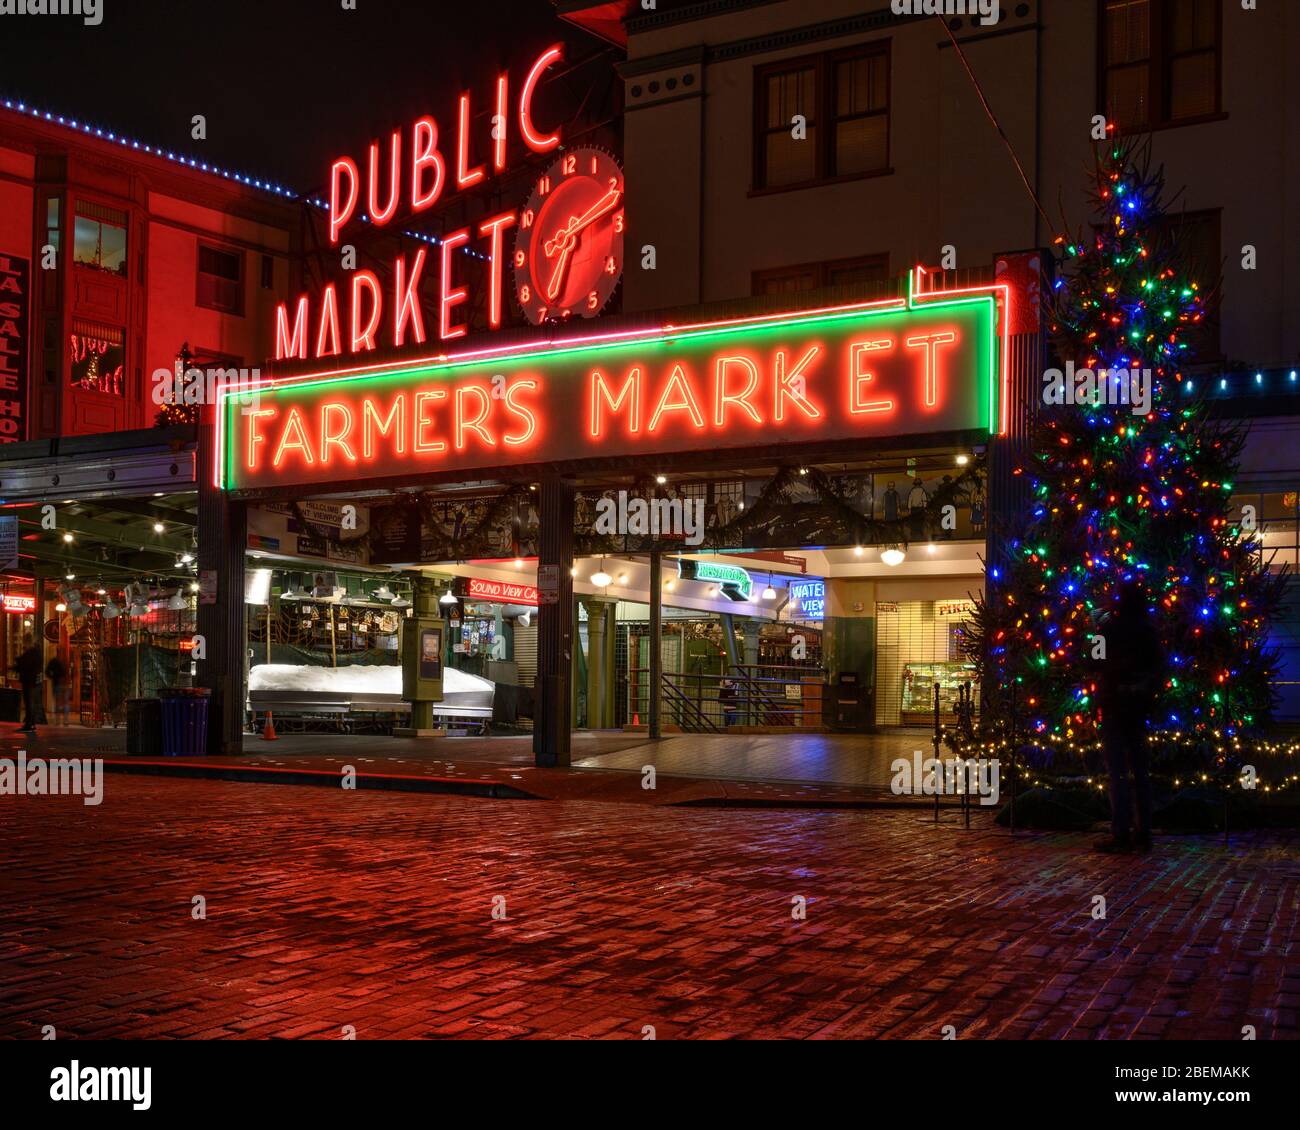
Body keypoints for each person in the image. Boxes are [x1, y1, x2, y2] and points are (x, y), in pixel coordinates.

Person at [1095, 582, 1164, 853]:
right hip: (1137, 708)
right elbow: (1158, 666)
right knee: (1140, 771)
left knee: (1118, 773)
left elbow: (1094, 660)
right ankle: (1143, 831)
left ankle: (1121, 832)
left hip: (1113, 706)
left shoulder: (1110, 629)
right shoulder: (1147, 630)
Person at [13, 634, 43, 734]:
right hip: (32, 681)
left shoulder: (32, 652)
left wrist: (18, 662)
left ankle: (29, 724)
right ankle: (31, 723)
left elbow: (26, 664)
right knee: (30, 702)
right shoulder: (35, 652)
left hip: (29, 680)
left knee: (29, 702)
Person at [46, 654, 70, 726]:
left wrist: (52, 676)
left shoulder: (53, 661)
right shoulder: (65, 662)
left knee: (57, 703)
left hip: (56, 684)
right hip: (65, 684)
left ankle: (57, 721)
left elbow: (47, 671)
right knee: (65, 703)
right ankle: (66, 720)